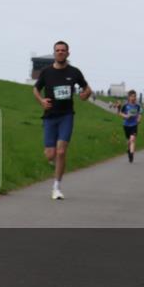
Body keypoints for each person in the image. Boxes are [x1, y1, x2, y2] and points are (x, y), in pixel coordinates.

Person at [33, 41, 93, 199]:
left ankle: (56, 187)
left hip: (66, 115)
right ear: (54, 53)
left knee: (61, 151)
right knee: (50, 154)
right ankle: (56, 164)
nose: (60, 52)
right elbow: (35, 89)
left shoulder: (74, 72)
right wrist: (41, 101)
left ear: (68, 53)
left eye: (63, 50)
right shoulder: (46, 72)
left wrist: (85, 95)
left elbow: (87, 89)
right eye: (57, 50)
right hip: (49, 116)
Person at [119, 90, 142, 162]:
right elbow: (120, 113)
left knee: (132, 139)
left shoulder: (137, 106)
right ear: (128, 97)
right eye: (132, 96)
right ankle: (129, 150)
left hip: (134, 125)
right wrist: (125, 116)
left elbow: (139, 114)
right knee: (128, 141)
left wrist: (139, 119)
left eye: (135, 96)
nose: (134, 98)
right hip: (126, 125)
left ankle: (131, 154)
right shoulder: (125, 105)